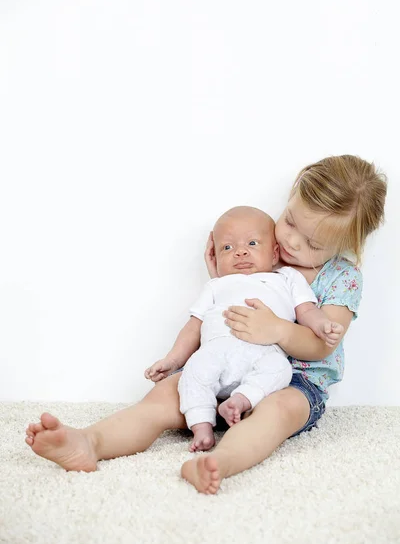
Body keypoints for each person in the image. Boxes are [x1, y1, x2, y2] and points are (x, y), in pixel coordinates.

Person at [24, 155, 387, 495]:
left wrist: (278, 330)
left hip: (295, 381)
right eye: (290, 221)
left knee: (277, 414)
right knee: (167, 395)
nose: (290, 240)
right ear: (291, 197)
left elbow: (324, 345)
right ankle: (89, 442)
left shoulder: (342, 277)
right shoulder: (262, 247)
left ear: (345, 246)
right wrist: (224, 279)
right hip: (224, 363)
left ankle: (219, 462)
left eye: (311, 242)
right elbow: (218, 305)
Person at [146, 206, 343, 452]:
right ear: (215, 257)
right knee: (194, 372)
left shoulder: (286, 278)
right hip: (216, 351)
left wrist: (322, 324)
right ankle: (201, 425)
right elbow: (194, 326)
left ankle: (240, 401)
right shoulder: (217, 285)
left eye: (251, 243)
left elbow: (306, 311)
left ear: (274, 255)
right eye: (227, 248)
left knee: (280, 369)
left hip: (263, 353)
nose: (240, 252)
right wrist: (173, 360)